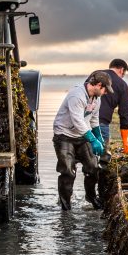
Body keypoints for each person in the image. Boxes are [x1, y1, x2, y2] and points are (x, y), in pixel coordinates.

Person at [52, 70, 113, 210]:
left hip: (81, 136)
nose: (106, 93)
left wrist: (99, 138)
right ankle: (65, 206)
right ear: (98, 85)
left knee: (93, 167)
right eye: (105, 89)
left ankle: (91, 197)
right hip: (64, 135)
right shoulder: (77, 95)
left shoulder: (97, 99)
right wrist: (92, 140)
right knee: (68, 172)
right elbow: (78, 121)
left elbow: (93, 119)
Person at [97, 59, 128, 154]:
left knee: (84, 157)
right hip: (102, 122)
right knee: (102, 158)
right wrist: (125, 140)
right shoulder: (123, 85)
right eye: (123, 74)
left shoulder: (95, 74)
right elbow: (124, 113)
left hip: (84, 121)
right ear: (121, 70)